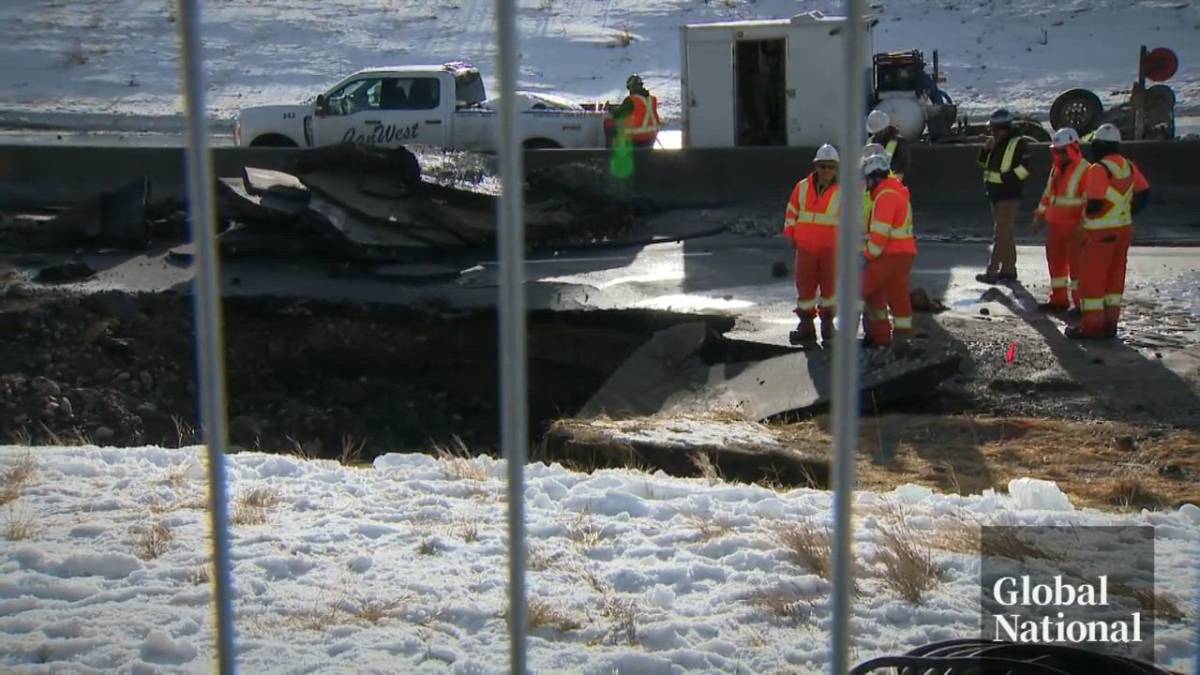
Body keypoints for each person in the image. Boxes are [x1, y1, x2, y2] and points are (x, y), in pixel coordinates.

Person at [1067, 123, 1150, 340]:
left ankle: (1092, 328)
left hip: (1099, 234)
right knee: (1114, 281)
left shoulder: (1098, 169)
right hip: (1123, 230)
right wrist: (1127, 211)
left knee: (1092, 282)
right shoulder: (1128, 166)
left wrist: (1086, 221)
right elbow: (1144, 193)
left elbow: (1094, 204)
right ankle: (1111, 325)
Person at [784, 144, 842, 345]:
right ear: (816, 166)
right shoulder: (802, 187)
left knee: (830, 288)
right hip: (806, 248)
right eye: (823, 166)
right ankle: (806, 325)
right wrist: (791, 235)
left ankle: (827, 324)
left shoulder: (842, 192)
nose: (826, 171)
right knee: (805, 288)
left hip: (830, 250)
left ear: (836, 168)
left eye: (830, 167)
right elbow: (791, 212)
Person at [861, 152, 916, 348]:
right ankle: (903, 339)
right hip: (903, 255)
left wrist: (866, 256)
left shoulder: (884, 197)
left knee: (860, 290)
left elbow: (879, 238)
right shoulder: (897, 192)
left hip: (888, 256)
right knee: (898, 297)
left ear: (873, 177)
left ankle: (879, 338)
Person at [1032, 127, 1090, 314]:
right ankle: (1058, 300)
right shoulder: (1056, 170)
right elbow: (1048, 195)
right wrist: (1039, 217)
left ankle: (1080, 304)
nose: (1058, 154)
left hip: (1074, 227)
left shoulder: (1085, 170)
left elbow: (1089, 202)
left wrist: (1083, 225)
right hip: (1055, 226)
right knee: (1055, 264)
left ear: (1073, 148)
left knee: (1077, 268)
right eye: (1056, 151)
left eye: (1062, 151)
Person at [975, 108, 1032, 284]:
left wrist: (1004, 179)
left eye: (996, 130)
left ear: (1005, 128)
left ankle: (992, 272)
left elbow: (1024, 170)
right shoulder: (995, 143)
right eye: (991, 130)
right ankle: (1009, 270)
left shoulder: (1019, 143)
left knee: (1000, 233)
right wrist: (985, 150)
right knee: (1005, 233)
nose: (993, 133)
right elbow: (982, 163)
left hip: (1009, 194)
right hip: (995, 194)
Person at [609, 74, 661, 148]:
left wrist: (613, 110)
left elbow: (618, 115)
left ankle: (609, 152)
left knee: (609, 124)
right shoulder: (652, 99)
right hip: (651, 136)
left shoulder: (631, 100)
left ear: (631, 87)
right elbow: (640, 111)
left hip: (636, 137)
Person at [866, 109, 910, 181]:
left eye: (879, 131)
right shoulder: (871, 141)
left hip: (892, 180)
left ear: (885, 127)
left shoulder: (898, 141)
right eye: (875, 132)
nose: (877, 134)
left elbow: (903, 165)